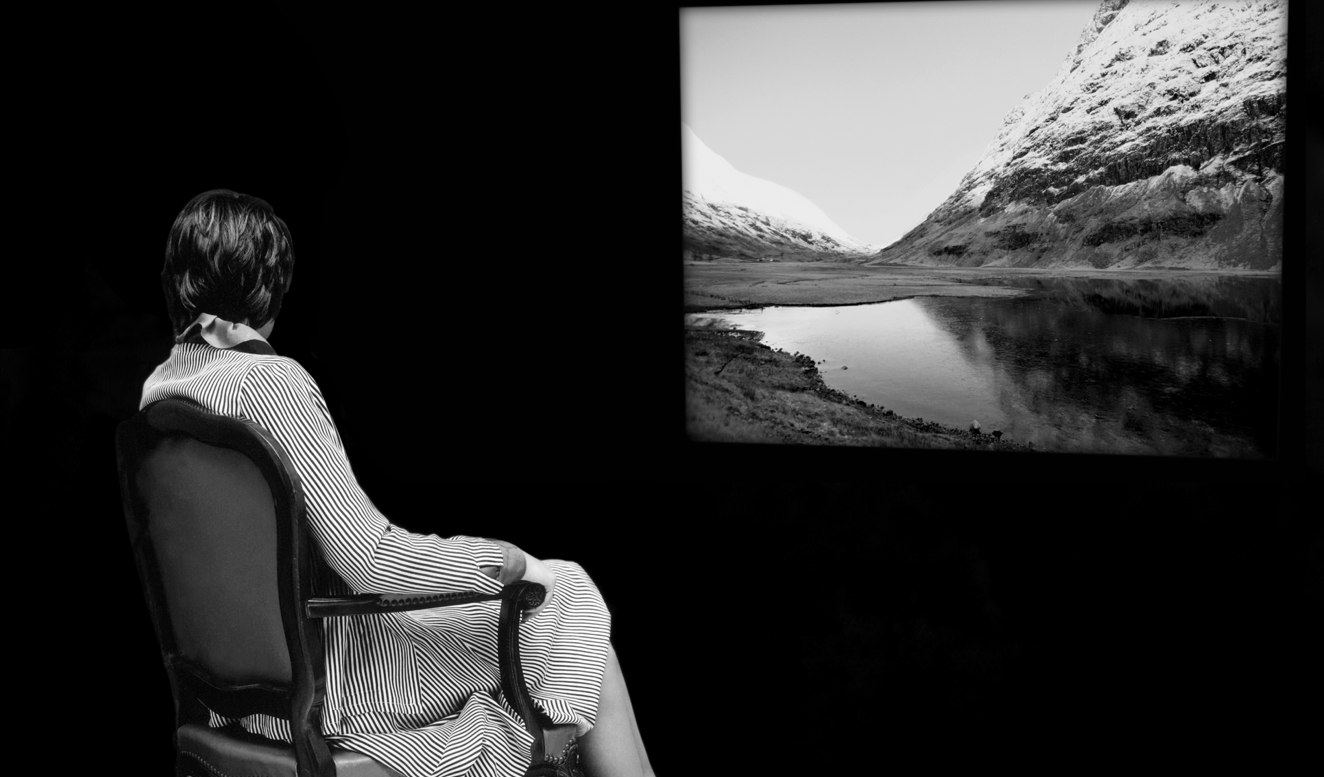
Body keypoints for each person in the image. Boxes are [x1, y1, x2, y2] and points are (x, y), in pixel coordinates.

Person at [142, 190, 654, 777]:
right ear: (269, 286)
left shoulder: (159, 396)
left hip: (236, 700)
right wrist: (502, 560)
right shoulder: (269, 382)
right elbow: (369, 563)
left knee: (553, 610)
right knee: (565, 592)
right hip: (332, 688)